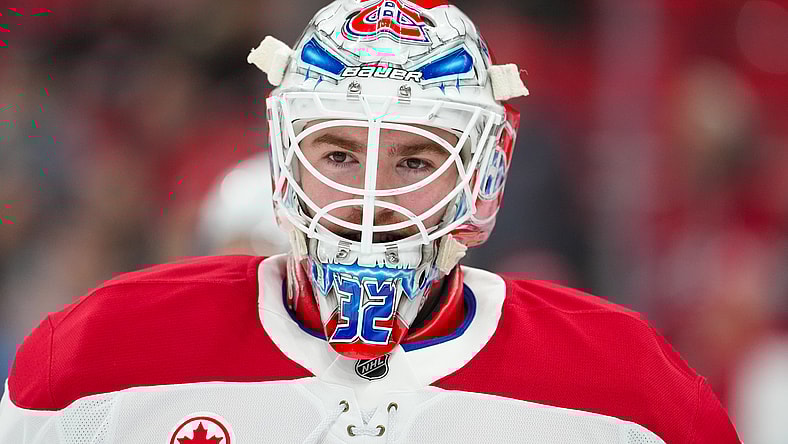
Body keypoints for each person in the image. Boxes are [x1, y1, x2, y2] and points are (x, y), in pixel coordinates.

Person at [0, 0, 740, 442]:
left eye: (415, 161)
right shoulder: (97, 355)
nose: (369, 197)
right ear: (284, 159)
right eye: (340, 153)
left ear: (482, 172)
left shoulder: (628, 385)